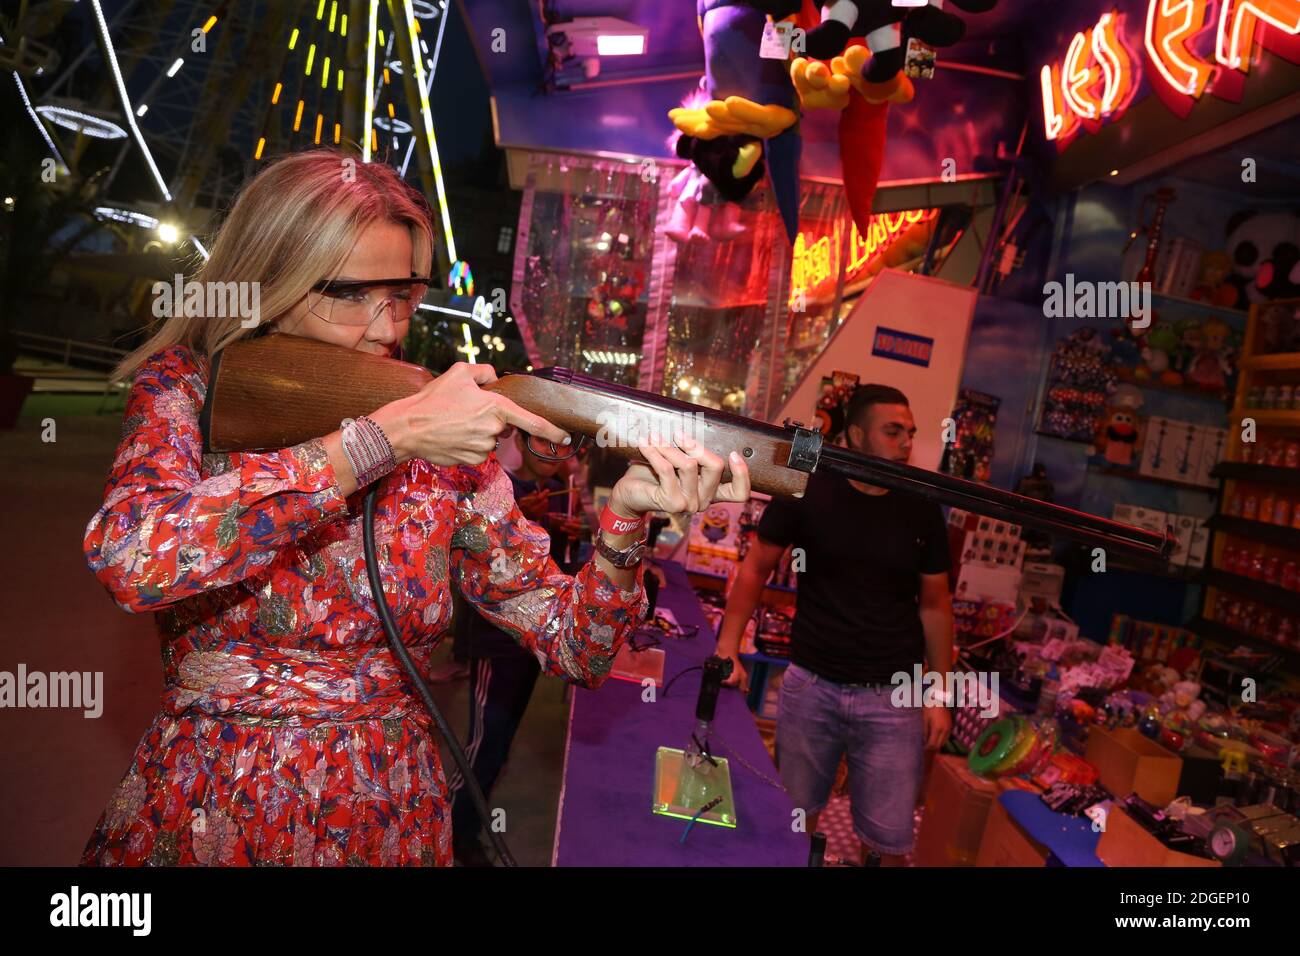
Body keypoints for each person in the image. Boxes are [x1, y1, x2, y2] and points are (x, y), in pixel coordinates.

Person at [81, 148, 751, 866]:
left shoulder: (436, 424)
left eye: (401, 295)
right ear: (269, 277)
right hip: (217, 800)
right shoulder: (191, 387)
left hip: (389, 805)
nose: (384, 327)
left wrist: (623, 522)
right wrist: (380, 442)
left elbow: (575, 646)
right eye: (349, 294)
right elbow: (132, 556)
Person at [714, 384, 954, 866]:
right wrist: (727, 647)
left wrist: (939, 692)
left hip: (893, 695)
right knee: (794, 821)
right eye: (893, 431)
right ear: (857, 434)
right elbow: (757, 566)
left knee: (887, 841)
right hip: (812, 686)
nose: (906, 442)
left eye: (911, 432)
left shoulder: (921, 505)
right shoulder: (809, 485)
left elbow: (935, 605)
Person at [447, 429, 587, 866]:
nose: (555, 453)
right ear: (521, 437)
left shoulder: (555, 490)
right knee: (481, 744)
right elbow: (469, 551)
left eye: (566, 444)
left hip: (532, 641)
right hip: (496, 638)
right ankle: (449, 833)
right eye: (544, 440)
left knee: (500, 744)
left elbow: (544, 566)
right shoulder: (492, 485)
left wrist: (559, 526)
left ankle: (464, 828)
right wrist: (521, 513)